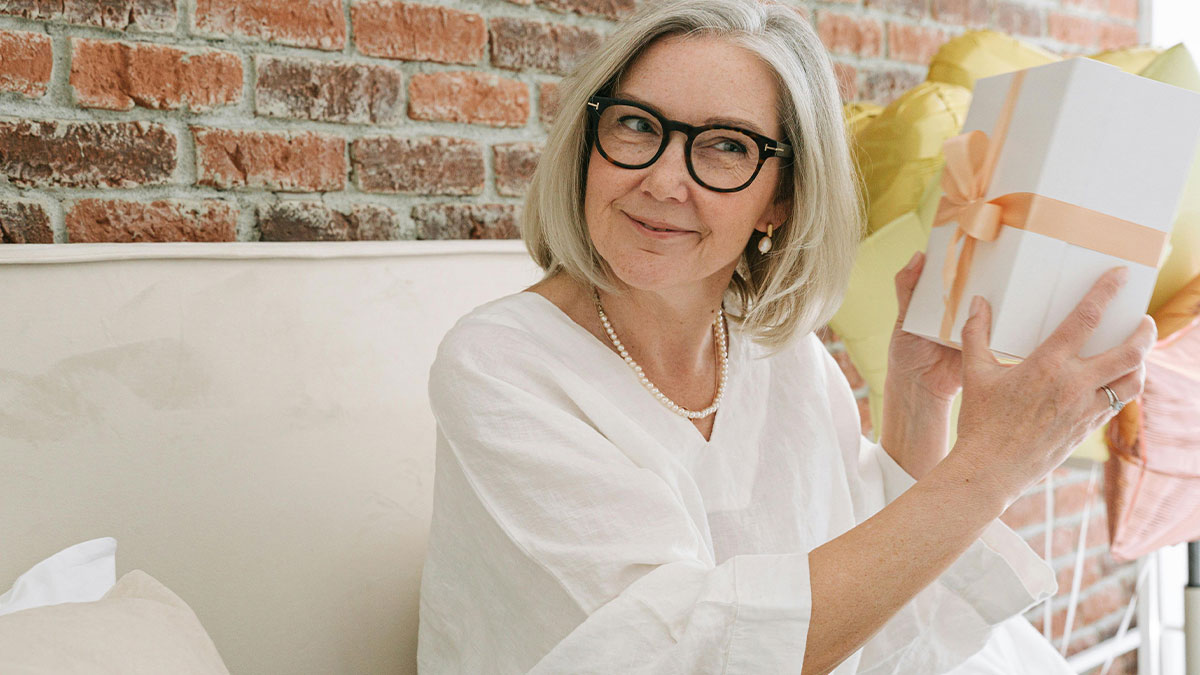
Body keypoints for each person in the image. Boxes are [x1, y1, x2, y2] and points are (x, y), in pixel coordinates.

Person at [416, 0, 1157, 672]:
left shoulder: (780, 355)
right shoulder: (498, 364)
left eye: (727, 146)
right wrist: (996, 463)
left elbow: (878, 619)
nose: (665, 180)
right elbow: (692, 651)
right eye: (637, 125)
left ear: (782, 198)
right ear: (590, 144)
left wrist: (917, 399)